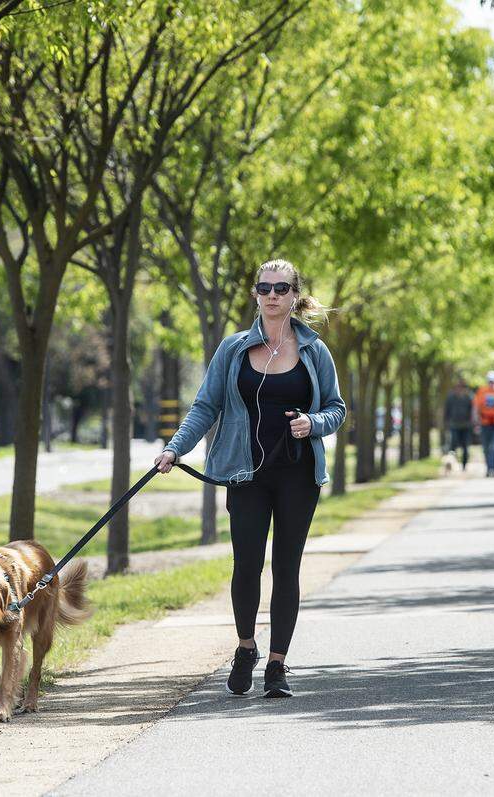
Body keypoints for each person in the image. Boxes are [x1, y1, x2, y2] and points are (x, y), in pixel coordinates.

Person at [154, 259, 345, 699]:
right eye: (265, 288)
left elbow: (337, 408)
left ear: (296, 295)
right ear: (255, 294)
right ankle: (245, 647)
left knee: (287, 567)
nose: (273, 295)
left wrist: (312, 424)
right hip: (245, 473)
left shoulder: (314, 350)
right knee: (246, 564)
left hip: (299, 473)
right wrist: (174, 449)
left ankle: (277, 665)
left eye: (281, 288)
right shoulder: (233, 349)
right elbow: (206, 406)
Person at [443, 379, 474, 471]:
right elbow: (447, 411)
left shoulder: (468, 398)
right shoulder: (451, 397)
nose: (459, 389)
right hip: (454, 425)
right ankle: (451, 463)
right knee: (453, 444)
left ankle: (464, 465)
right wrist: (446, 422)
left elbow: (472, 411)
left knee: (465, 447)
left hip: (466, 426)